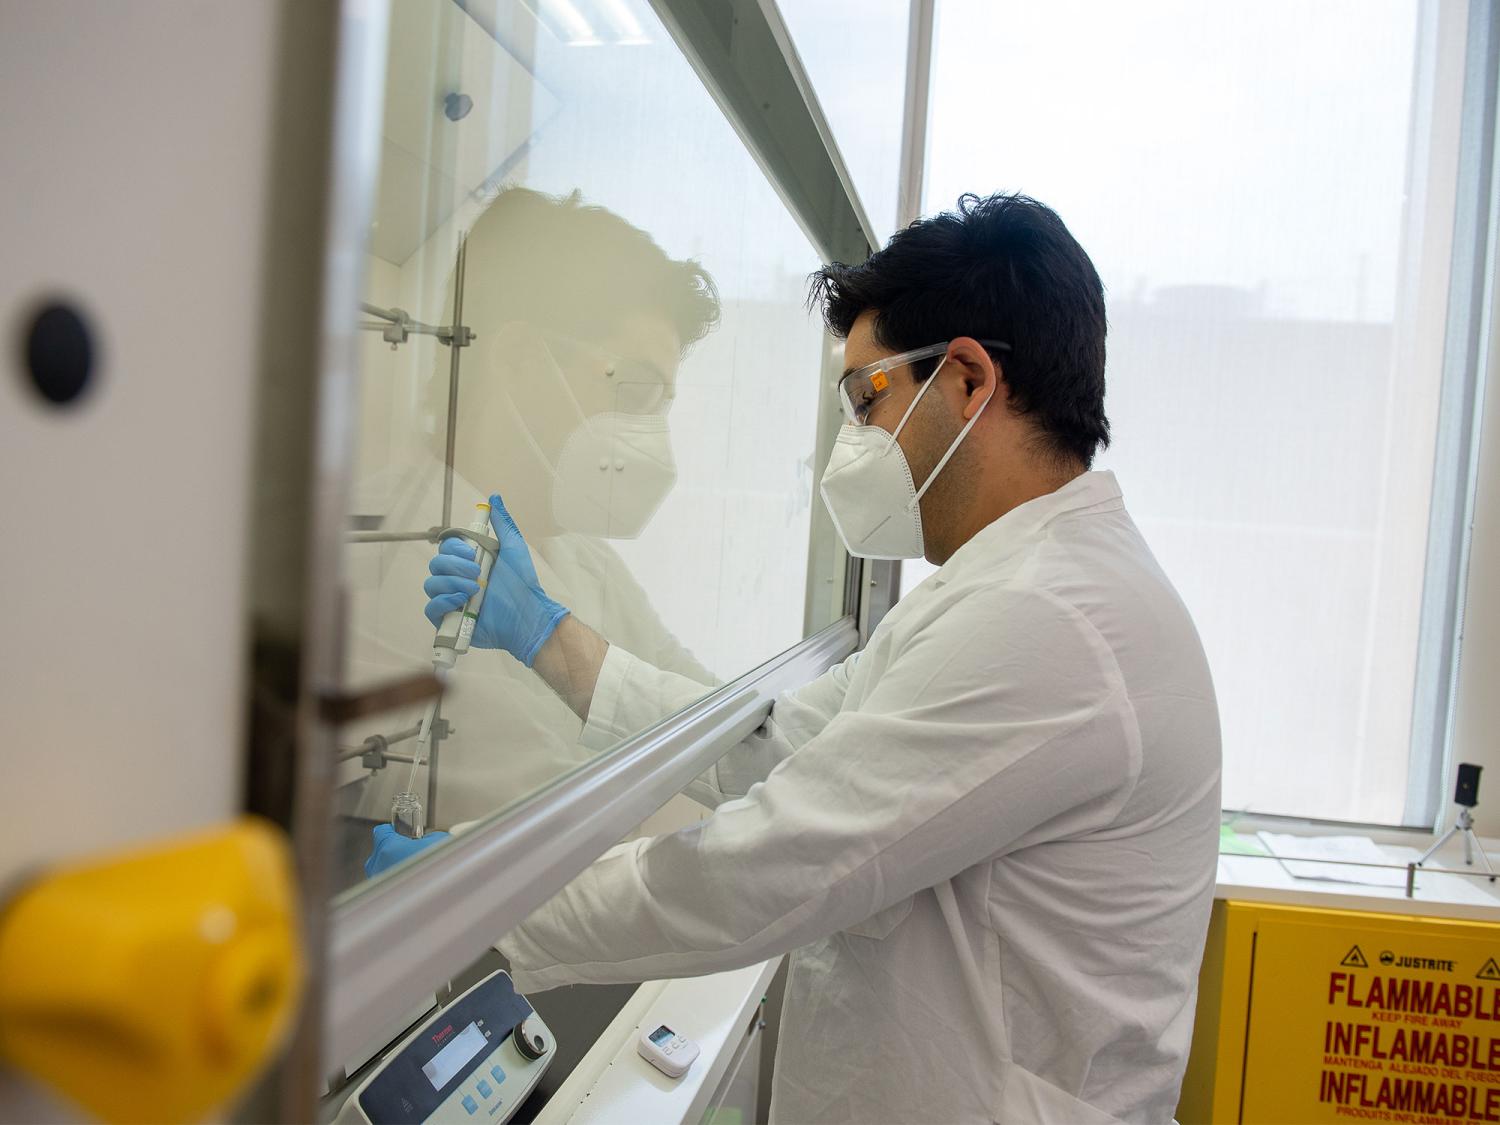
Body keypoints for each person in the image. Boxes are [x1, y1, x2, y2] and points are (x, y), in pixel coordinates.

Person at [420, 193, 1221, 1123]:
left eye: (864, 397)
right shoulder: (1007, 591)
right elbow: (783, 745)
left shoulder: (1052, 619)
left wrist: (480, 903)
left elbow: (774, 862)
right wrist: (551, 638)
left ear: (967, 379)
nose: (852, 439)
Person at [353, 188, 721, 878]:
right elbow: (571, 831)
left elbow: (704, 710)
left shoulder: (576, 554)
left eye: (660, 404)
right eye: (634, 390)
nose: (653, 438)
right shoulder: (418, 553)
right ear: (520, 360)